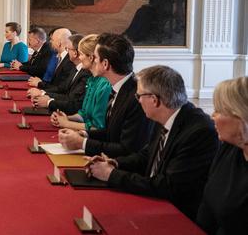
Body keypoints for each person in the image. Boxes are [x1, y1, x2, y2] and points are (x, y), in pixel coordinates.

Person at [86, 65, 218, 220]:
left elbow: (169, 187)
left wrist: (111, 175)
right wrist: (115, 163)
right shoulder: (165, 115)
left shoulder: (198, 132)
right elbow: (147, 155)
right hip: (154, 201)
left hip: (177, 216)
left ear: (154, 100)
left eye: (139, 96)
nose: (138, 101)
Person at [58, 33, 153, 158]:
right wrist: (85, 135)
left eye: (96, 57)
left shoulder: (136, 97)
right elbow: (110, 132)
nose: (94, 60)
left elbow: (127, 149)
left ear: (105, 64)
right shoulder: (120, 88)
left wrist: (83, 143)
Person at [197, 77, 248, 233]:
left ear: (241, 117)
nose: (213, 116)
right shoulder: (229, 149)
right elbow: (207, 205)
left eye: (219, 111)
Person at [42, 34, 111, 131]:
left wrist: (67, 123)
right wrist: (66, 118)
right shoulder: (92, 80)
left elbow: (98, 126)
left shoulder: (104, 84)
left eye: (81, 54)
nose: (79, 57)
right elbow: (83, 114)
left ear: (91, 58)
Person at [29, 34, 90, 115]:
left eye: (68, 49)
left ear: (75, 53)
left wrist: (48, 101)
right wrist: (44, 94)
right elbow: (64, 90)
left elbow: (73, 102)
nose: (66, 52)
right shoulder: (76, 69)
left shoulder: (85, 73)